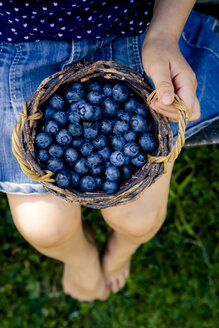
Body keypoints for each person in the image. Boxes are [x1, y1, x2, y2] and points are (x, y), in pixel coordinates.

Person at [0, 0, 218, 301]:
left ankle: (121, 250)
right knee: (44, 229)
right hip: (21, 45)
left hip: (130, 29)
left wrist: (165, 34)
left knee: (141, 219)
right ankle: (78, 259)